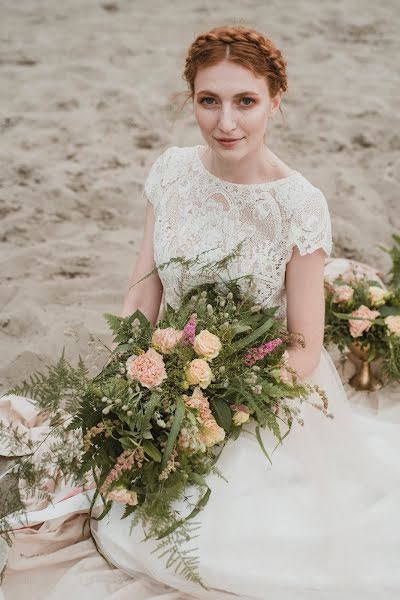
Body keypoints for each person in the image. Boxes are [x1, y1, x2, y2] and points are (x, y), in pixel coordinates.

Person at [2, 24, 400, 600]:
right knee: (128, 515)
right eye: (208, 101)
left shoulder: (299, 204)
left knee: (243, 543)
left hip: (261, 394)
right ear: (190, 98)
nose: (226, 122)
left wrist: (218, 405)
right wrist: (133, 383)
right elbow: (144, 289)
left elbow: (306, 348)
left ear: (275, 102)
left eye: (245, 102)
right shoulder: (172, 172)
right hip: (170, 372)